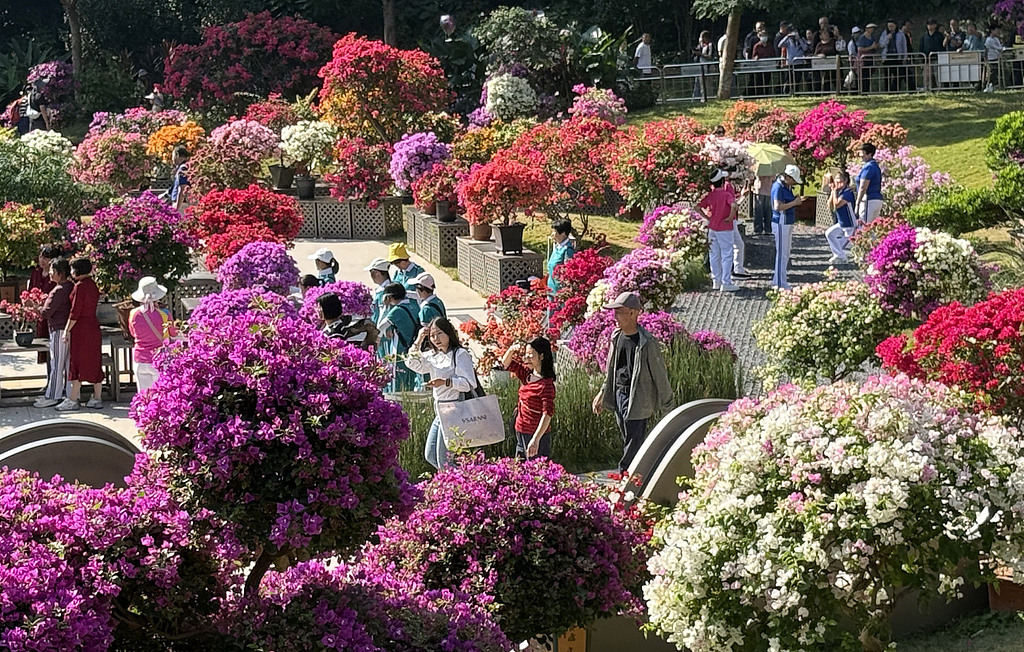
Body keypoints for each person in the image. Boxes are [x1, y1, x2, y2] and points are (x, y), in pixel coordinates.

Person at [591, 291, 673, 472]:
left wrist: (668, 406)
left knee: (633, 440)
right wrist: (602, 393)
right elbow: (610, 370)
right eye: (614, 312)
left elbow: (660, 375)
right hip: (618, 393)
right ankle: (639, 473)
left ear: (633, 313)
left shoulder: (647, 342)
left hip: (639, 398)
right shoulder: (616, 337)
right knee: (628, 436)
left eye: (619, 311)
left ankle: (626, 474)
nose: (615, 316)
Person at [406, 317, 478, 469]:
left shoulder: (459, 354)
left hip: (455, 408)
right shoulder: (434, 356)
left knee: (444, 460)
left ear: (448, 333)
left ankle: (456, 486)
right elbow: (411, 363)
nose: (436, 338)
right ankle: (462, 479)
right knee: (430, 455)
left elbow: (469, 383)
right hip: (439, 409)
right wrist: (419, 339)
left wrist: (446, 382)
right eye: (432, 335)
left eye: (439, 333)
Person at [58, 257, 103, 411]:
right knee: (94, 360)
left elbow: (75, 311)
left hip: (81, 328)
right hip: (93, 325)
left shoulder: (80, 287)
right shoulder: (92, 285)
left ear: (77, 270)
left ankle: (73, 398)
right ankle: (97, 398)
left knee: (76, 361)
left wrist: (66, 330)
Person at [500, 338, 556, 460]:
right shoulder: (527, 375)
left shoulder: (546, 385)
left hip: (534, 433)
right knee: (519, 469)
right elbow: (506, 363)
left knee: (536, 472)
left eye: (531, 355)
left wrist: (536, 439)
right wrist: (511, 349)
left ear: (541, 356)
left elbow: (547, 414)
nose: (527, 358)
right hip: (520, 429)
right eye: (526, 354)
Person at [33, 258, 73, 408]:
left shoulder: (59, 290)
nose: (50, 273)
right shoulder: (71, 287)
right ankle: (70, 394)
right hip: (69, 329)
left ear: (60, 273)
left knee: (57, 363)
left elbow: (45, 313)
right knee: (68, 364)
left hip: (59, 329)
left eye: (52, 271)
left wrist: (34, 306)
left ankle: (52, 395)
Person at [128, 276, 176, 393]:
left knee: (144, 396)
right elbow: (173, 333)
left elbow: (133, 333)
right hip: (159, 359)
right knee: (161, 395)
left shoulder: (133, 313)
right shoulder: (164, 314)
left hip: (140, 358)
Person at [698, 169, 739, 292]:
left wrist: (707, 217)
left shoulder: (710, 195)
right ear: (722, 181)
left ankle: (716, 280)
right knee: (727, 254)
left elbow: (698, 207)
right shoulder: (726, 194)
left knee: (714, 254)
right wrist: (731, 217)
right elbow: (733, 205)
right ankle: (726, 282)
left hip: (712, 227)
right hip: (725, 228)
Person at [377, 282, 420, 393]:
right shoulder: (413, 305)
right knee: (410, 379)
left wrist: (385, 308)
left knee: (398, 381)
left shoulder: (397, 311)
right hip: (413, 347)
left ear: (390, 297)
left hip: (400, 349)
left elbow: (380, 327)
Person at [770, 164, 805, 290]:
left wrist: (794, 200)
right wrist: (794, 203)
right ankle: (779, 282)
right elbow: (777, 206)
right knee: (782, 253)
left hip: (786, 221)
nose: (795, 182)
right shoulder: (778, 187)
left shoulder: (786, 185)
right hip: (781, 221)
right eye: (794, 179)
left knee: (785, 252)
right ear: (788, 177)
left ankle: (778, 279)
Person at [29, 243, 61, 341]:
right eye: (41, 257)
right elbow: (30, 290)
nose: (42, 260)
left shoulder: (57, 275)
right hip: (38, 311)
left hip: (52, 312)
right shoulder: (36, 272)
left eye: (46, 258)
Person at [825, 170, 857, 264]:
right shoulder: (839, 191)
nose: (838, 184)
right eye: (836, 181)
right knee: (829, 233)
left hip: (850, 223)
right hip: (842, 223)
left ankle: (842, 256)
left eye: (840, 182)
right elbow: (830, 206)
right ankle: (840, 255)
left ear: (846, 181)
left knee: (846, 243)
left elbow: (837, 205)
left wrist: (834, 192)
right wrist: (832, 192)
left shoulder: (847, 193)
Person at [854, 143, 883, 224]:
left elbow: (863, 186)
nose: (860, 155)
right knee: (872, 228)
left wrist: (857, 202)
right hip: (876, 200)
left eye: (862, 153)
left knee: (864, 226)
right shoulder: (874, 165)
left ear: (869, 154)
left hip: (869, 199)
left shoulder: (869, 167)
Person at [546, 219, 575, 295]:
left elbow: (568, 273)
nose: (552, 234)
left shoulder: (568, 250)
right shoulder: (557, 247)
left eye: (555, 232)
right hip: (551, 289)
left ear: (563, 233)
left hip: (559, 292)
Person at [879, 20, 908, 92]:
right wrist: (887, 38)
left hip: (897, 57)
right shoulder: (884, 33)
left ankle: (895, 90)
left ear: (896, 26)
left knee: (898, 75)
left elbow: (904, 45)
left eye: (892, 26)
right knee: (887, 76)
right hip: (887, 57)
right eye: (889, 26)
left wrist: (904, 56)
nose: (890, 28)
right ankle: (887, 90)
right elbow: (881, 44)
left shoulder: (900, 34)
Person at [364, 257, 391, 324]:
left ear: (377, 273)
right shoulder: (381, 289)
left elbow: (384, 313)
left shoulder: (386, 291)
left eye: (371, 272)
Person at [984, 24, 1007, 92]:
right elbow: (996, 47)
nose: (998, 32)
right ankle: (988, 85)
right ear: (992, 31)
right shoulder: (989, 40)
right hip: (991, 59)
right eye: (996, 30)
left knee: (997, 72)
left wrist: (1002, 48)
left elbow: (999, 46)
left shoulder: (996, 39)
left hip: (997, 58)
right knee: (991, 72)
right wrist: (1002, 48)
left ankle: (995, 85)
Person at [168, 145, 190, 213]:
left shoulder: (183, 168)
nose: (172, 159)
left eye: (173, 156)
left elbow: (182, 188)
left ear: (177, 155)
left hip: (181, 205)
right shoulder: (182, 167)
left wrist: (177, 206)